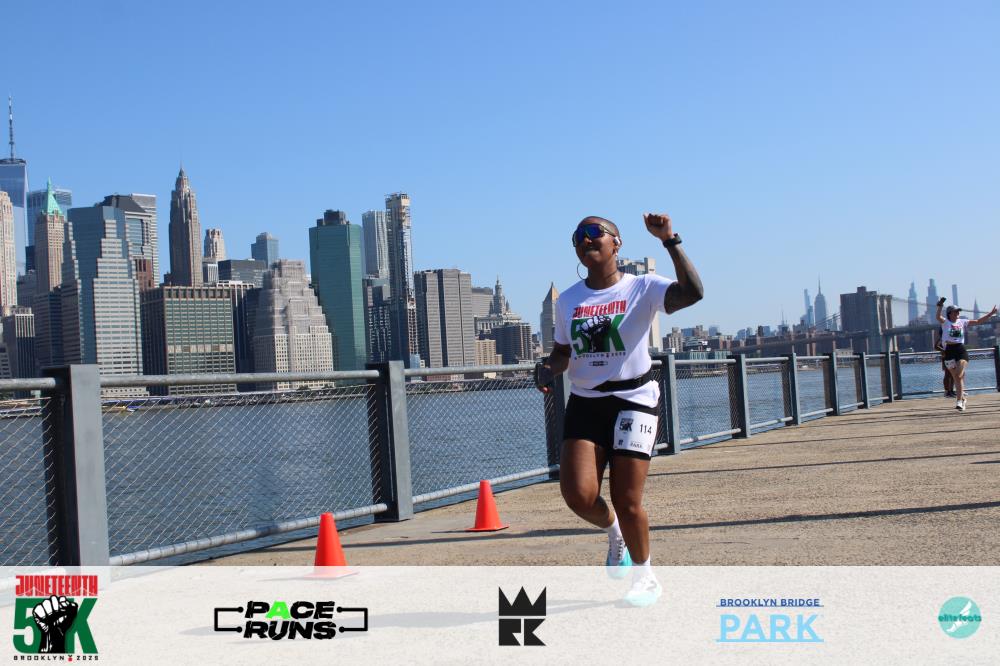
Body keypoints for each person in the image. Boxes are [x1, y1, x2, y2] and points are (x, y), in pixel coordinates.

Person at [534, 213, 703, 607]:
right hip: (586, 402)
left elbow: (692, 293)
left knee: (627, 499)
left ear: (617, 243)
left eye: (595, 232)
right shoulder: (569, 300)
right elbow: (563, 352)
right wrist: (548, 366)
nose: (586, 239)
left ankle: (646, 577)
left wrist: (670, 240)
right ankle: (615, 535)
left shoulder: (642, 287)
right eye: (578, 236)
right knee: (578, 496)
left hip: (634, 401)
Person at [935, 297, 998, 411]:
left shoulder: (962, 321)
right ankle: (963, 399)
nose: (958, 313)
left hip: (960, 350)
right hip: (949, 351)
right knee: (956, 377)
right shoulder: (945, 322)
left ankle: (959, 402)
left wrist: (990, 314)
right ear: (950, 314)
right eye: (955, 312)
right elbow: (938, 317)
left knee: (959, 375)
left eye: (958, 312)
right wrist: (940, 306)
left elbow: (978, 322)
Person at [933, 331, 955, 397]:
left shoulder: (950, 337)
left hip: (953, 356)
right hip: (946, 358)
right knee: (947, 375)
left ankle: (951, 390)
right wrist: (943, 350)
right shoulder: (942, 338)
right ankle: (947, 391)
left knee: (953, 375)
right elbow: (936, 346)